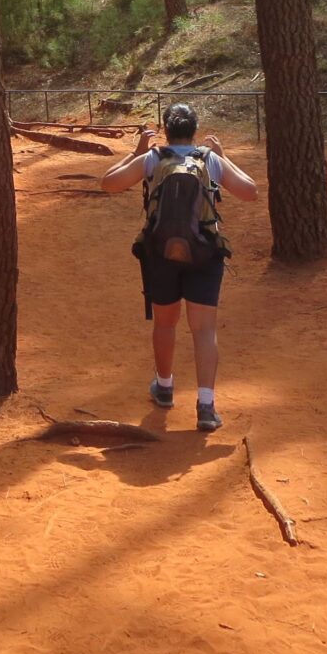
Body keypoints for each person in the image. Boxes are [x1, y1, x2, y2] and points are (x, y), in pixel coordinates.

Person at [100, 102, 257, 431]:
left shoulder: (154, 158)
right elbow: (250, 191)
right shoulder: (208, 159)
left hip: (160, 253)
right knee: (204, 330)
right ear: (194, 130)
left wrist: (136, 151)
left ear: (166, 130)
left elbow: (109, 182)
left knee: (165, 323)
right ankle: (206, 405)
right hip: (203, 253)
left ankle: (165, 387)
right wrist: (224, 156)